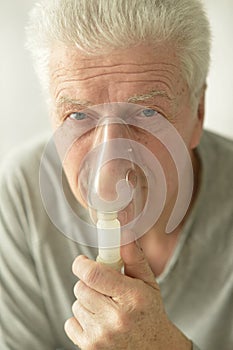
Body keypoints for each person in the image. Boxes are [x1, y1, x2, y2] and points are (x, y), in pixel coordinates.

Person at [0, 0, 233, 349]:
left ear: (198, 114)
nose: (109, 171)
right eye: (78, 117)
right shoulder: (21, 196)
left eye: (147, 113)